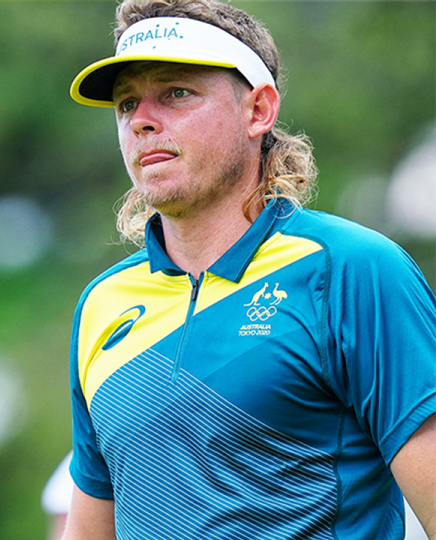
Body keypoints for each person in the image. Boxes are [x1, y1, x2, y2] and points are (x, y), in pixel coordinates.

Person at [64, 1, 436, 539]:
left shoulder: (352, 270)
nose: (142, 119)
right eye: (126, 105)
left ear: (257, 111)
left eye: (176, 93)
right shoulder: (101, 304)